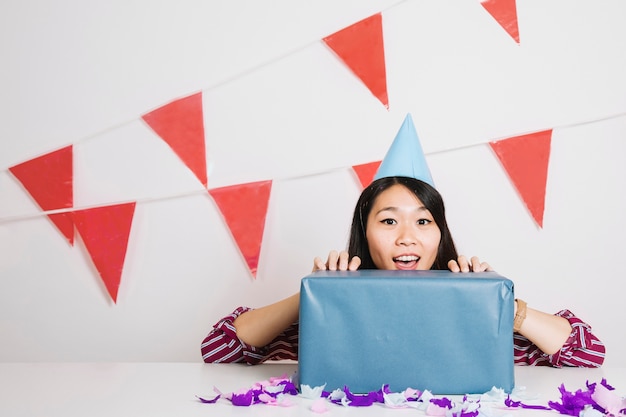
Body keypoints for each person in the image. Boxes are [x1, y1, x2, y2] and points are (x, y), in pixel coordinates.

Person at [201, 176, 606, 367]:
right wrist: (317, 293)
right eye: (390, 221)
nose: (407, 238)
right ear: (365, 233)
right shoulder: (330, 317)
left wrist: (496, 301)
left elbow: (588, 352)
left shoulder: (478, 314)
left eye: (424, 222)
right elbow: (219, 348)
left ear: (440, 234)